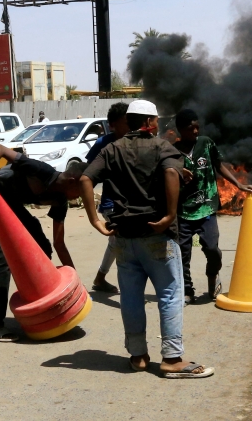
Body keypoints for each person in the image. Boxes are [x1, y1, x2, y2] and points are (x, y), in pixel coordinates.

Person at [80, 99, 214, 378]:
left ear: (129, 122)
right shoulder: (161, 146)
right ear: (150, 122)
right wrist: (169, 215)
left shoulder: (111, 149)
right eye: (156, 120)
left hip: (124, 238)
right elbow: (168, 172)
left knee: (130, 297)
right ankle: (172, 359)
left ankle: (138, 355)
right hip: (157, 235)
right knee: (170, 294)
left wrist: (95, 220)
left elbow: (85, 180)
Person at [0, 144, 84, 341]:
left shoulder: (60, 200)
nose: (85, 195)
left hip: (11, 203)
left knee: (42, 246)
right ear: (72, 182)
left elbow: (59, 243)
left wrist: (74, 284)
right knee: (2, 257)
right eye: (84, 189)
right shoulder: (41, 170)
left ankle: (37, 298)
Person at [174, 109, 252, 303]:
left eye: (197, 127)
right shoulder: (172, 151)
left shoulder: (206, 143)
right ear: (180, 130)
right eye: (190, 128)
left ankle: (212, 276)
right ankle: (187, 290)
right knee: (182, 255)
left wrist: (238, 184)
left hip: (207, 208)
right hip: (184, 211)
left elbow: (218, 165)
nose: (195, 132)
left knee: (212, 249)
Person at [87, 102, 131, 294]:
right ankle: (130, 288)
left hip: (133, 203)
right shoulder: (103, 144)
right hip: (111, 204)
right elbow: (88, 172)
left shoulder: (136, 141)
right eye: (125, 122)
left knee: (116, 242)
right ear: (113, 125)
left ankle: (100, 278)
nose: (129, 125)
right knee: (122, 242)